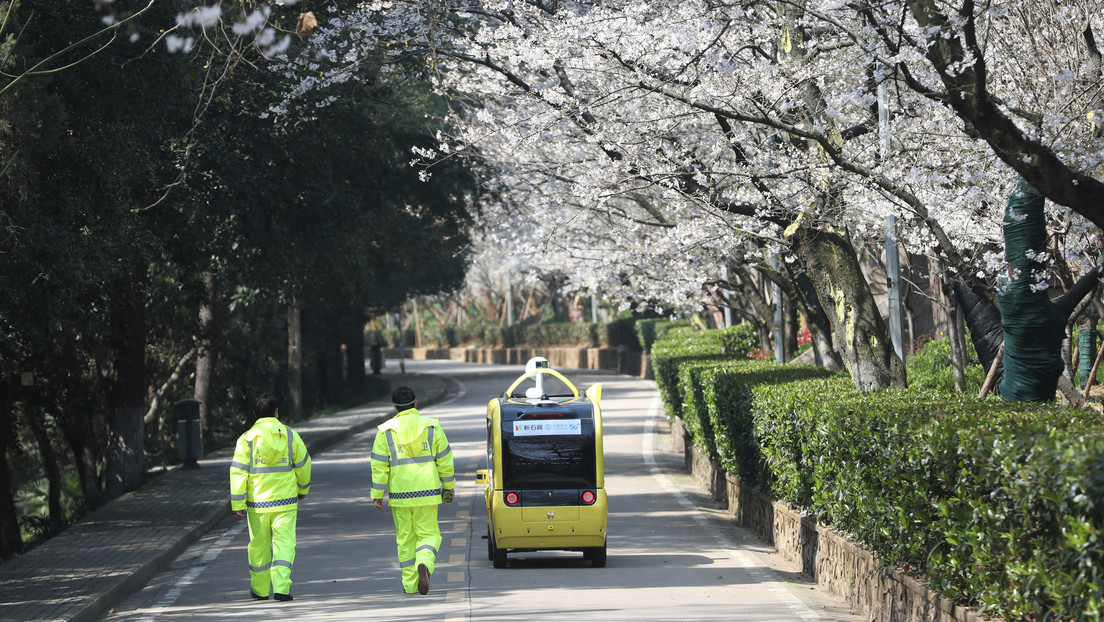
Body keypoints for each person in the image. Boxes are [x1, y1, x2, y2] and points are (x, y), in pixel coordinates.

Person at [370, 386, 455, 595]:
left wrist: (377, 495)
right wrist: (448, 487)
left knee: (405, 539)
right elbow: (445, 460)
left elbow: (379, 466)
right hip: (428, 493)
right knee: (429, 534)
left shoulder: (385, 432)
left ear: (394, 407)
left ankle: (410, 585)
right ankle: (424, 560)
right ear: (416, 403)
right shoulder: (432, 428)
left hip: (400, 496)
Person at [230, 393, 311, 601]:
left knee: (258, 546)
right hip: (286, 502)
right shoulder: (290, 435)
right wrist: (303, 489)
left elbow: (238, 472)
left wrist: (238, 504)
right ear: (276, 412)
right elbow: (303, 464)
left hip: (257, 504)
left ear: (254, 413)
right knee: (284, 544)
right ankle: (282, 588)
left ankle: (260, 590)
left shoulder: (246, 439)